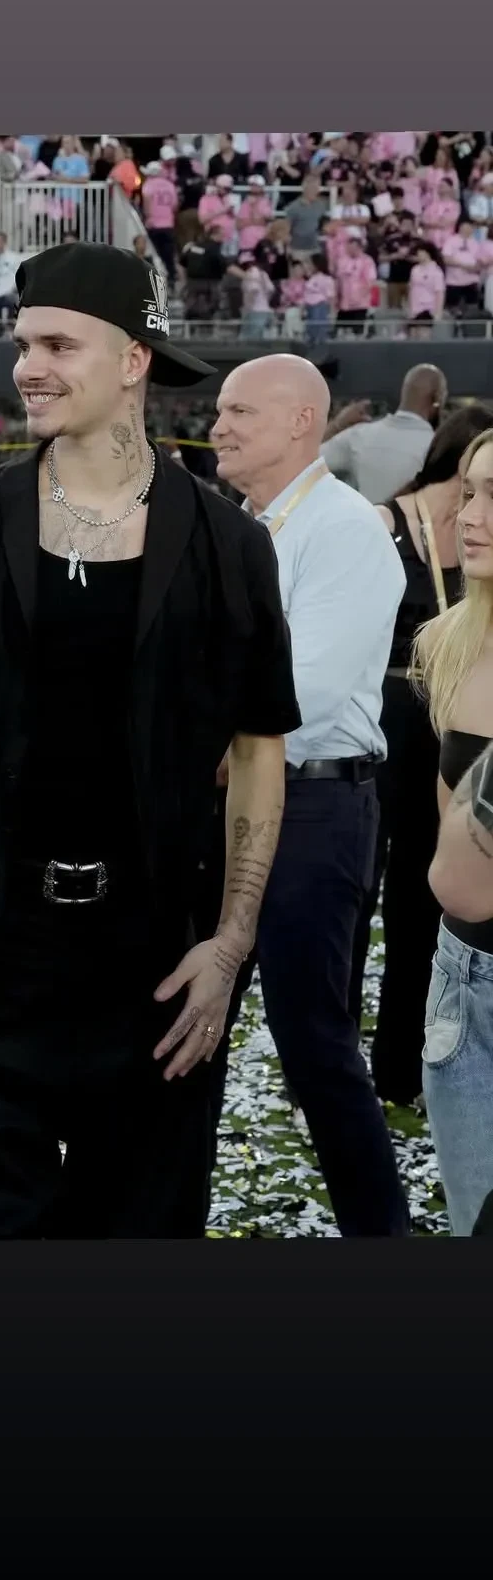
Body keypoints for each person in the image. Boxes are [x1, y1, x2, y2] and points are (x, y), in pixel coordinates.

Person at [0, 243, 299, 1239]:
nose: (29, 367)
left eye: (59, 345)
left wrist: (230, 943)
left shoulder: (230, 547)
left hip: (152, 973)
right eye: (23, 344)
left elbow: (259, 750)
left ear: (135, 359)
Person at [211, 355, 409, 1236]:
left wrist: (197, 739)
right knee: (192, 1020)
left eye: (238, 411)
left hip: (314, 808)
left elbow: (308, 692)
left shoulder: (345, 529)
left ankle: (381, 1236)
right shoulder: (254, 527)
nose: (217, 426)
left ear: (301, 421)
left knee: (314, 1045)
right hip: (240, 800)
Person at [347, 408, 493, 1107]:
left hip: (439, 719)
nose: (471, 513)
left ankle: (397, 1059)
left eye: (489, 493)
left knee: (413, 889)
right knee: (375, 889)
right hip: (390, 720)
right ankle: (363, 1052)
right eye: (468, 489)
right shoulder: (388, 528)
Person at [413, 428, 493, 1232]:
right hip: (466, 982)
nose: (468, 515)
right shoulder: (447, 643)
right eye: (468, 492)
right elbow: (450, 852)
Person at [321, 364, 448, 504]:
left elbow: (309, 460)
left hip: (365, 517)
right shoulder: (439, 449)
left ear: (404, 393)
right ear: (438, 398)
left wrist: (338, 424)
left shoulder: (359, 435)